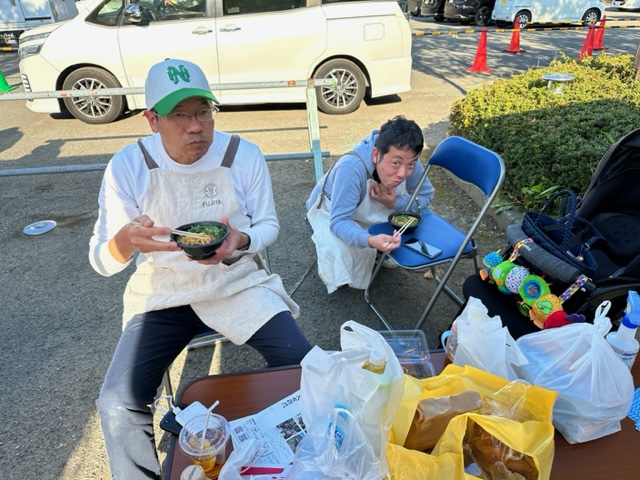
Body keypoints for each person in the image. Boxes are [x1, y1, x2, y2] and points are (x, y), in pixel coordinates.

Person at [89, 58, 311, 480]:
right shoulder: (128, 165)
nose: (196, 127)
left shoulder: (242, 153)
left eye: (203, 112)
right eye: (180, 115)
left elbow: (268, 225)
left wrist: (239, 242)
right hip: (164, 289)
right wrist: (123, 242)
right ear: (152, 120)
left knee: (303, 367)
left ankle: (285, 461)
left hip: (235, 281)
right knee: (117, 402)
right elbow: (101, 259)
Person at [306, 116, 435, 293]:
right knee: (341, 253)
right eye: (395, 163)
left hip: (372, 212)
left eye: (410, 165)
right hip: (329, 212)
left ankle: (377, 252)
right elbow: (338, 221)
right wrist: (369, 240)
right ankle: (366, 255)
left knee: (409, 225)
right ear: (375, 154)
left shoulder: (408, 158)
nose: (403, 173)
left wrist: (395, 202)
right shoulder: (351, 168)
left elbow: (426, 195)